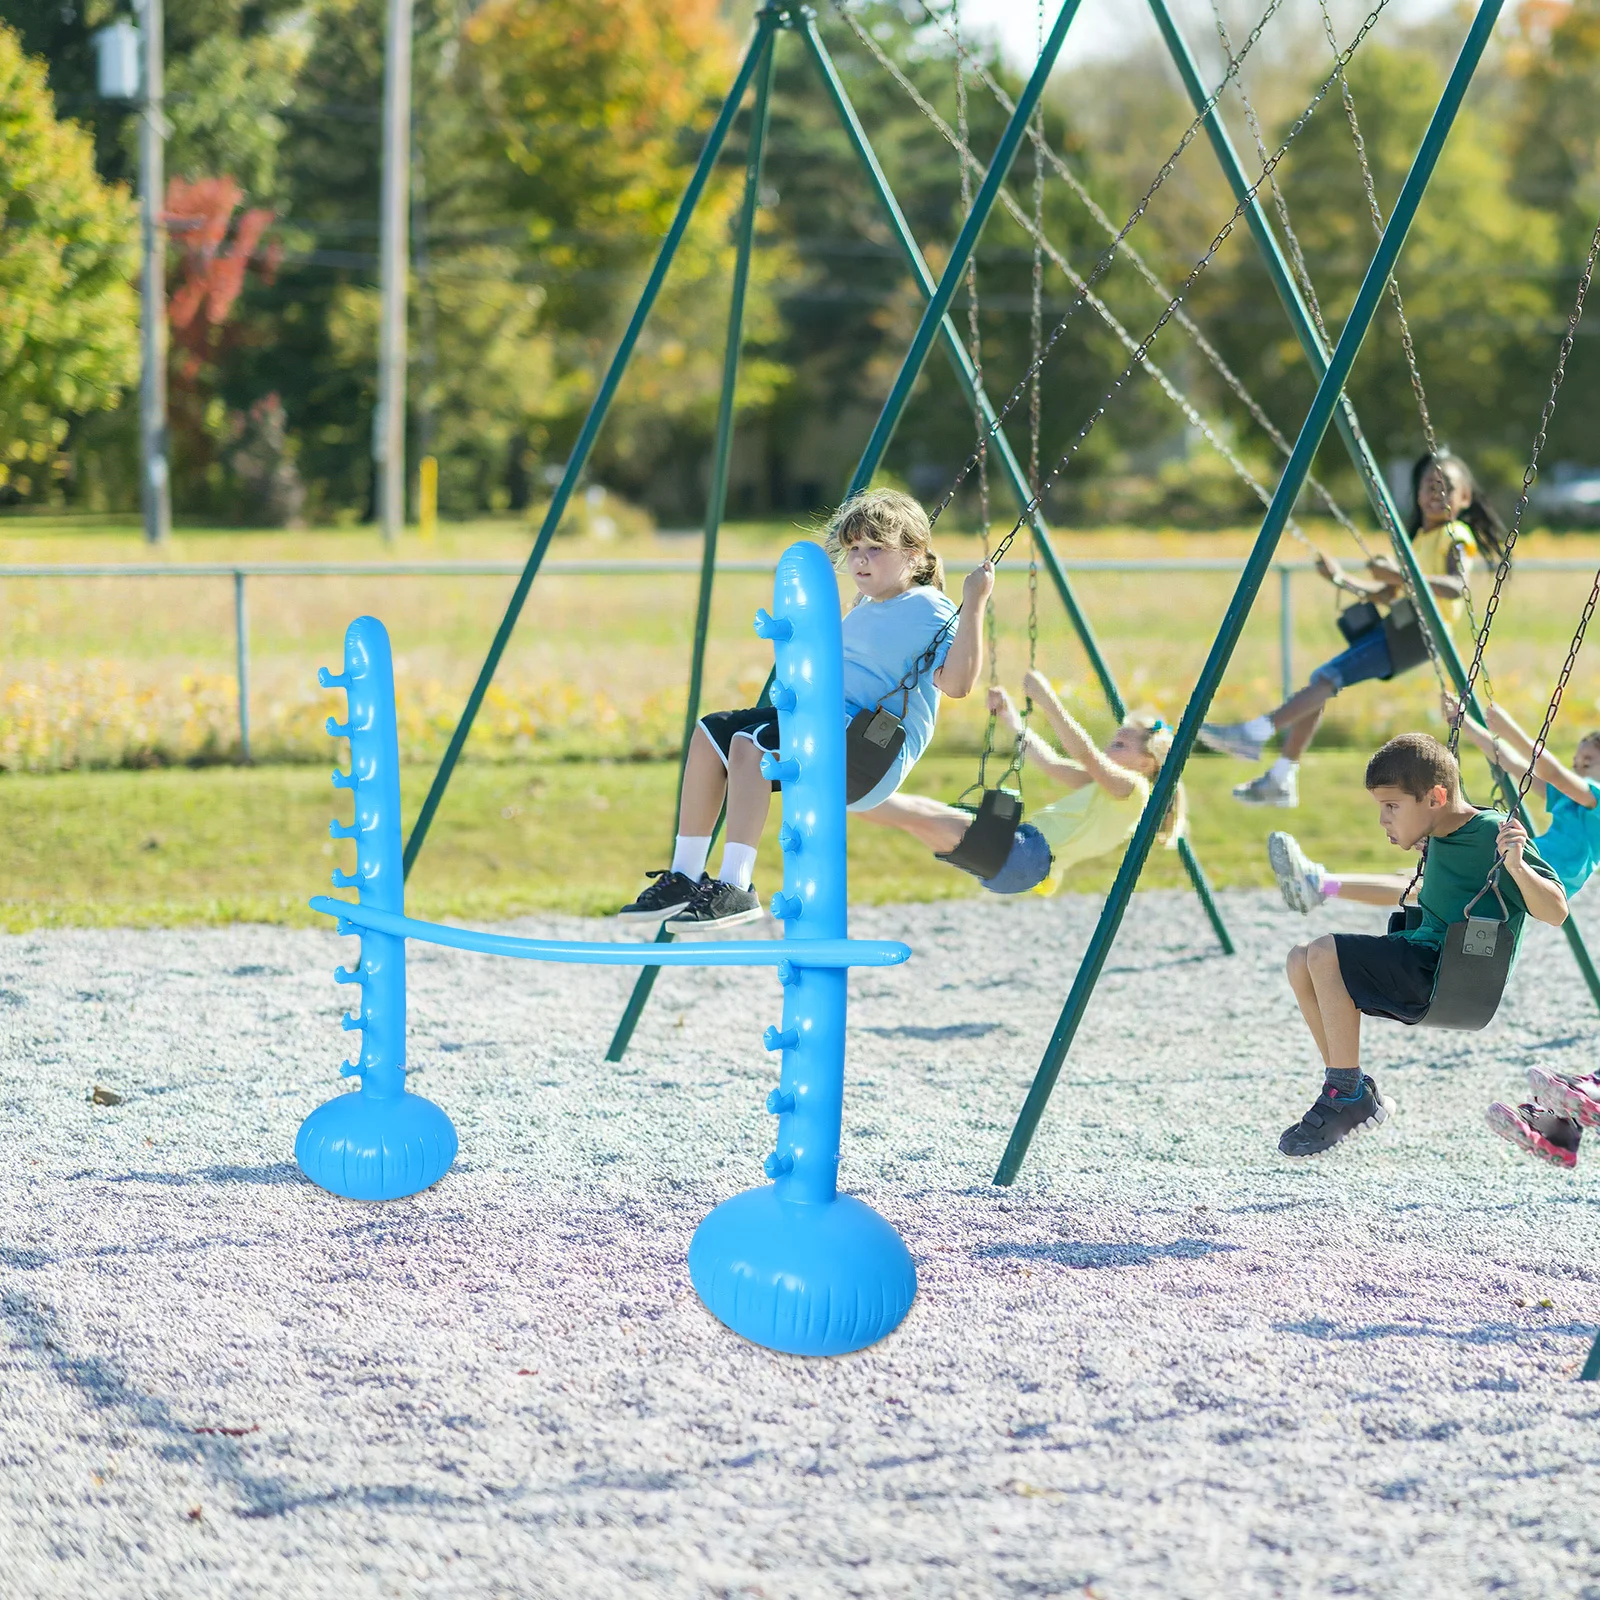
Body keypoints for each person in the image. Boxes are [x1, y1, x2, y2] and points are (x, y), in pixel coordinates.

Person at [618, 488, 994, 931]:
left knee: (751, 743)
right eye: (854, 549)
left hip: (868, 754)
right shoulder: (869, 606)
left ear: (913, 555)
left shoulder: (930, 608)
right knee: (712, 731)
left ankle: (736, 886)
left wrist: (975, 603)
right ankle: (684, 874)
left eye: (876, 548)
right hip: (829, 730)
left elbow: (958, 684)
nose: (860, 560)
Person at [1276, 732, 1566, 1159]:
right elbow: (1409, 888)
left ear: (1435, 797)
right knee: (1300, 960)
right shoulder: (1440, 834)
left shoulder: (1491, 833)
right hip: (1419, 958)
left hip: (1446, 974)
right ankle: (1346, 1087)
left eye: (1391, 807)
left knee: (1323, 952)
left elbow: (1556, 910)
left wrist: (1517, 868)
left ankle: (1346, 1092)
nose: (1383, 820)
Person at [1199, 451, 1505, 808]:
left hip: (1422, 634)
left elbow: (1456, 586)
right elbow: (1387, 593)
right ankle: (1281, 777)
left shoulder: (1456, 534)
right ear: (1417, 494)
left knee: (1326, 679)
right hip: (1402, 627)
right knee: (1321, 684)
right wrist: (1342, 580)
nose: (1437, 492)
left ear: (1465, 499)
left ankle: (1255, 733)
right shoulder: (1420, 539)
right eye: (1429, 485)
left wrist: (1400, 574)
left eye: (1447, 487)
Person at [860, 670, 1184, 895]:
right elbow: (1051, 763)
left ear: (1146, 763)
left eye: (1120, 745)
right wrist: (1012, 720)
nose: (1109, 747)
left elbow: (1086, 754)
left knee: (914, 812)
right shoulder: (1105, 788)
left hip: (1026, 855)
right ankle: (842, 798)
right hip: (1021, 861)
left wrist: (1048, 701)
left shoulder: (1135, 791)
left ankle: (833, 795)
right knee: (916, 812)